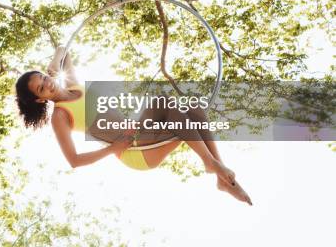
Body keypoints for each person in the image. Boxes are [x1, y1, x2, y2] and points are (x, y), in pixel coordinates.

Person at [15, 46, 252, 205]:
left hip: (139, 129)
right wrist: (112, 149)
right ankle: (212, 164)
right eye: (41, 88)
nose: (48, 84)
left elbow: (63, 50)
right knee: (181, 116)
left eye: (44, 78)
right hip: (133, 150)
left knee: (190, 107)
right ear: (40, 99)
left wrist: (54, 64)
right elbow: (74, 160)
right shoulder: (60, 117)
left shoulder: (73, 85)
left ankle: (217, 169)